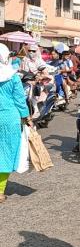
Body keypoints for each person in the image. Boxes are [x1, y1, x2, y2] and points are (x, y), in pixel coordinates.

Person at [0, 43, 30, 203]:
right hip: (8, 118)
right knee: (5, 153)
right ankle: (0, 191)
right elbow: (19, 100)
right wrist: (26, 116)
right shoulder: (12, 77)